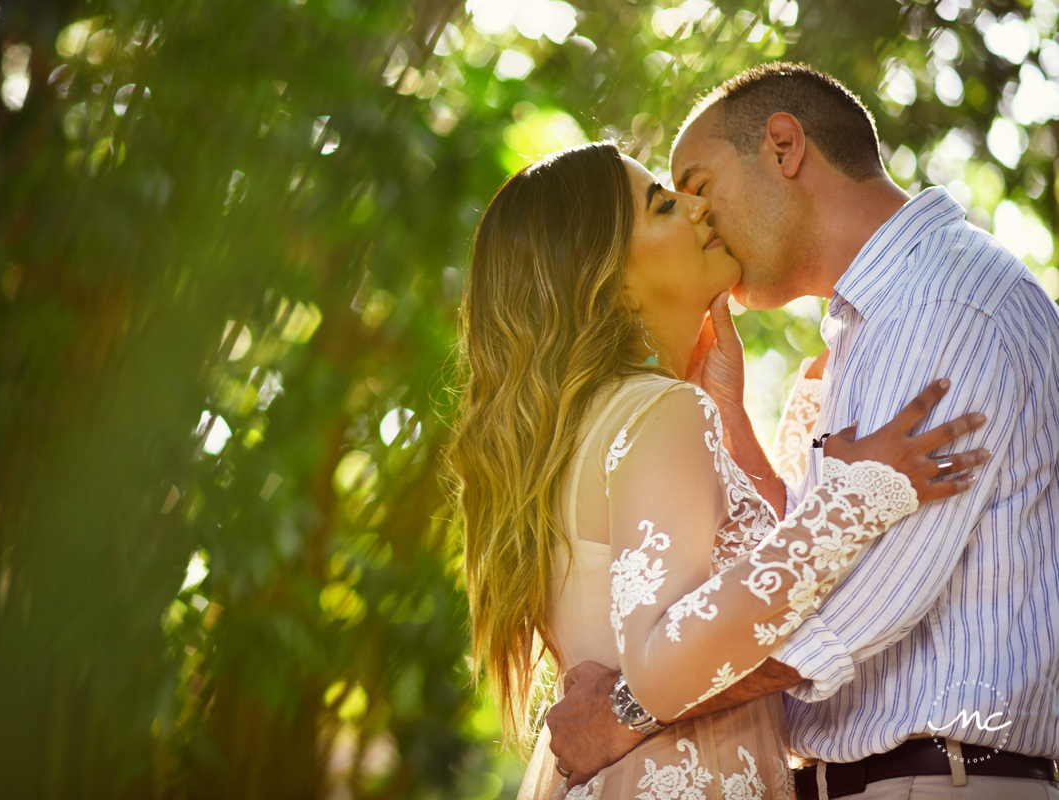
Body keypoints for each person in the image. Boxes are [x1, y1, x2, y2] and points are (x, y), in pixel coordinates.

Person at [547, 63, 1059, 800]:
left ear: (784, 148)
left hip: (933, 781)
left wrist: (629, 711)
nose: (696, 215)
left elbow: (856, 602)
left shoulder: (942, 309)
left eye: (696, 185)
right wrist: (732, 418)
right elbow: (796, 565)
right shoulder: (869, 329)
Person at [446, 138, 990, 800]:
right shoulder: (657, 413)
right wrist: (856, 499)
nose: (696, 206)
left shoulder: (587, 428)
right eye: (662, 205)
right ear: (608, 274)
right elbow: (658, 670)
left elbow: (719, 606)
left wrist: (727, 414)